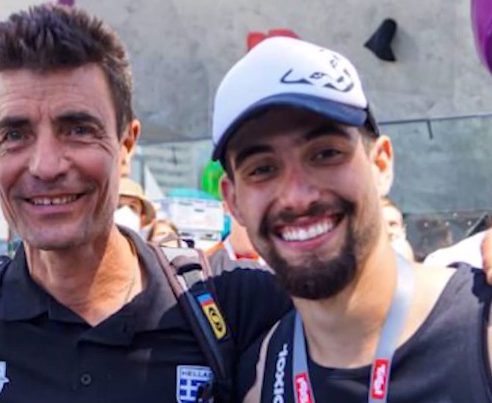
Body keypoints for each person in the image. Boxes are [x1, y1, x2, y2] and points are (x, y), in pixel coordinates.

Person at [0, 6, 291, 402]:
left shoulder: (239, 305)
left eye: (78, 129)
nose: (45, 166)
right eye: (15, 135)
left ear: (126, 145)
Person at [209, 36, 492, 401]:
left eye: (326, 153)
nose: (297, 196)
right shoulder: (262, 373)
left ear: (381, 164)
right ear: (233, 201)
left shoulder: (482, 330)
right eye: (262, 169)